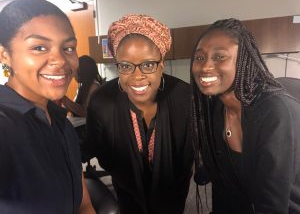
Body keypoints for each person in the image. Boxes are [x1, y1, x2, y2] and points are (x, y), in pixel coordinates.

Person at [83, 14, 194, 214]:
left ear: (161, 64)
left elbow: (188, 156)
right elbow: (104, 156)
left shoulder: (184, 97)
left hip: (174, 196)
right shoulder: (102, 101)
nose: (137, 76)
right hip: (126, 194)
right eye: (126, 66)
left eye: (148, 64)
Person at [190, 18, 300, 213]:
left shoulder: (275, 112)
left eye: (219, 57)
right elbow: (224, 188)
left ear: (243, 61)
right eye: (199, 57)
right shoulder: (216, 108)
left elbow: (273, 205)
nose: (205, 66)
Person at [0, 0, 96, 214]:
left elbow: (84, 204)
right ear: (5, 54)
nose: (61, 60)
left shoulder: (62, 123)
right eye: (40, 47)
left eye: (69, 48)